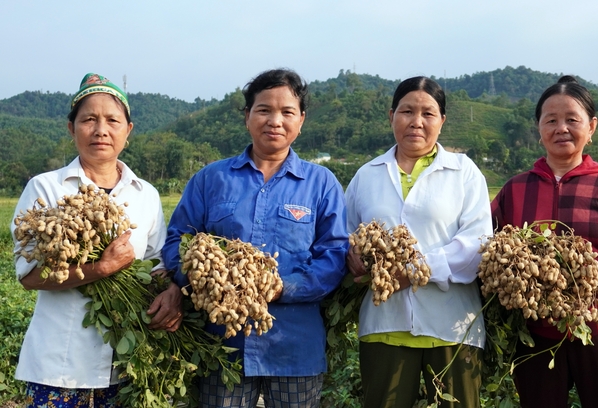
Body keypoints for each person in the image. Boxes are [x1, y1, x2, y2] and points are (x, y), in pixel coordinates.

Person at [162, 68, 348, 408]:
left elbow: (334, 257)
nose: (274, 121)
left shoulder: (321, 184)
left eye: (287, 112)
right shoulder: (211, 179)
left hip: (295, 347)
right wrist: (202, 278)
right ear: (247, 116)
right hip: (222, 347)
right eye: (264, 110)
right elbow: (177, 240)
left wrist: (282, 287)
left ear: (301, 120)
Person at [10, 73, 183, 407]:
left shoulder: (145, 193)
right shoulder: (46, 188)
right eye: (89, 119)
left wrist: (173, 292)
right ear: (71, 128)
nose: (101, 130)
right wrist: (100, 268)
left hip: (127, 364)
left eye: (112, 120)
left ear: (127, 131)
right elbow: (29, 277)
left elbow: (157, 265)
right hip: (58, 363)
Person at [491, 75, 598, 408]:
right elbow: (485, 247)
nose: (562, 128)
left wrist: (587, 277)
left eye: (572, 119)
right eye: (551, 120)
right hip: (536, 332)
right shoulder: (515, 189)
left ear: (592, 127)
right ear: (538, 128)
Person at [345, 76, 492, 408]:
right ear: (391, 115)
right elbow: (345, 233)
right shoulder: (366, 175)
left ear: (442, 120)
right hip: (384, 325)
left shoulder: (464, 172)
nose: (417, 121)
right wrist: (350, 254)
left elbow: (475, 246)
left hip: (452, 328)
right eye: (406, 111)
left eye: (428, 113)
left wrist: (411, 272)